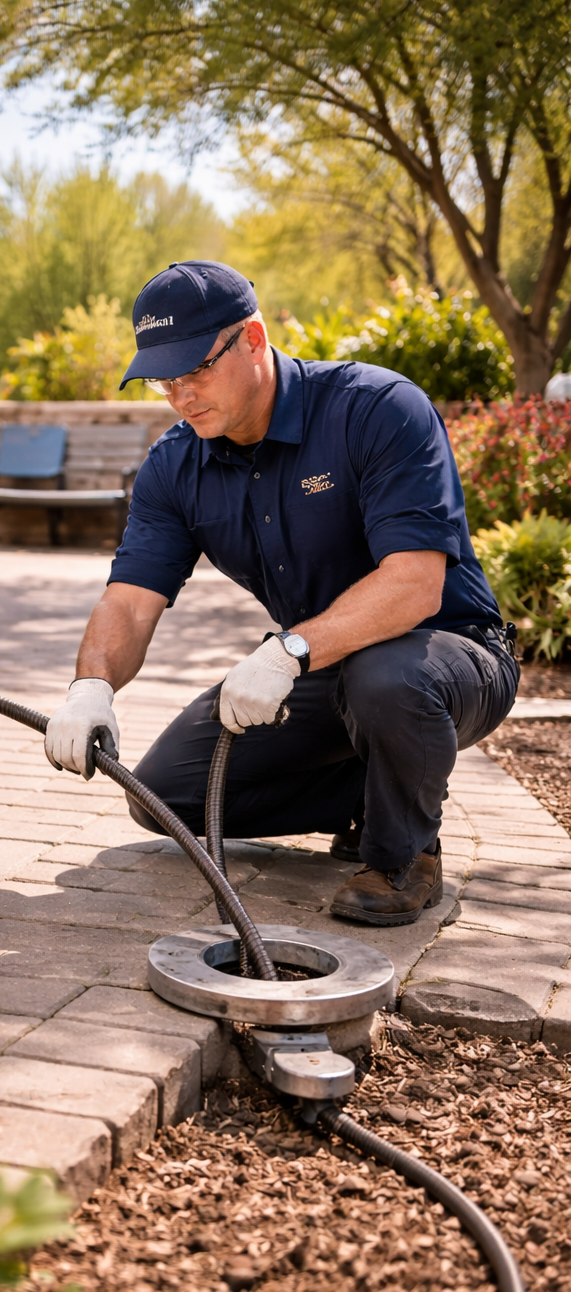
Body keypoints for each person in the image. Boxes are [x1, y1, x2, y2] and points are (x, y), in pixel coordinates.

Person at [44, 261, 518, 926]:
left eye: (197, 368)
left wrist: (285, 653)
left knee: (384, 676)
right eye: (163, 377)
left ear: (255, 339)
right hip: (321, 665)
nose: (180, 393)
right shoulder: (175, 466)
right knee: (162, 797)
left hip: (448, 657)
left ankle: (402, 855)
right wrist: (90, 687)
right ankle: (378, 792)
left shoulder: (375, 409)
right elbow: (129, 600)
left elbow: (414, 586)